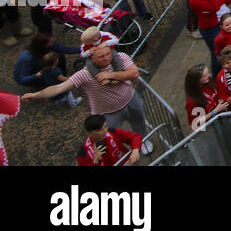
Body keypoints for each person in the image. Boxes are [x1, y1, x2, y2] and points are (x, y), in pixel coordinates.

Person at [23, 43, 151, 150]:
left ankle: (143, 140)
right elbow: (59, 88)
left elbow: (134, 73)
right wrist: (35, 95)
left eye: (108, 54)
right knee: (108, 137)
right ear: (92, 58)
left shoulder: (121, 57)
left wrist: (111, 75)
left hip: (131, 100)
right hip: (107, 114)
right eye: (101, 56)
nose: (107, 58)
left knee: (139, 122)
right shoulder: (84, 74)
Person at [13, 33, 81, 105]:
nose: (53, 44)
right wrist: (36, 76)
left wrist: (84, 49)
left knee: (60, 55)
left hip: (42, 69)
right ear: (43, 45)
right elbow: (22, 79)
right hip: (32, 75)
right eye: (50, 42)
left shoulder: (48, 46)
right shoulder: (27, 59)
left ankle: (58, 98)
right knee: (54, 81)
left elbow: (66, 49)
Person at [187, 0, 231, 72]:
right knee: (218, 53)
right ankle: (217, 76)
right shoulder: (195, 0)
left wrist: (218, 2)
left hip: (224, 18)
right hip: (211, 28)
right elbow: (214, 7)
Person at [76, 114, 142, 166]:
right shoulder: (83, 154)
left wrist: (135, 150)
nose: (105, 131)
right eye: (99, 130)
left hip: (126, 163)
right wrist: (95, 161)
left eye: (105, 126)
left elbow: (134, 137)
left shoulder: (112, 132)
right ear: (89, 134)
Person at [183, 64, 229, 130]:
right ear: (196, 80)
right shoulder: (192, 102)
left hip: (220, 121)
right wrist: (215, 111)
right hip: (210, 128)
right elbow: (195, 122)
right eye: (204, 76)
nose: (209, 76)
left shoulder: (208, 83)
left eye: (208, 73)